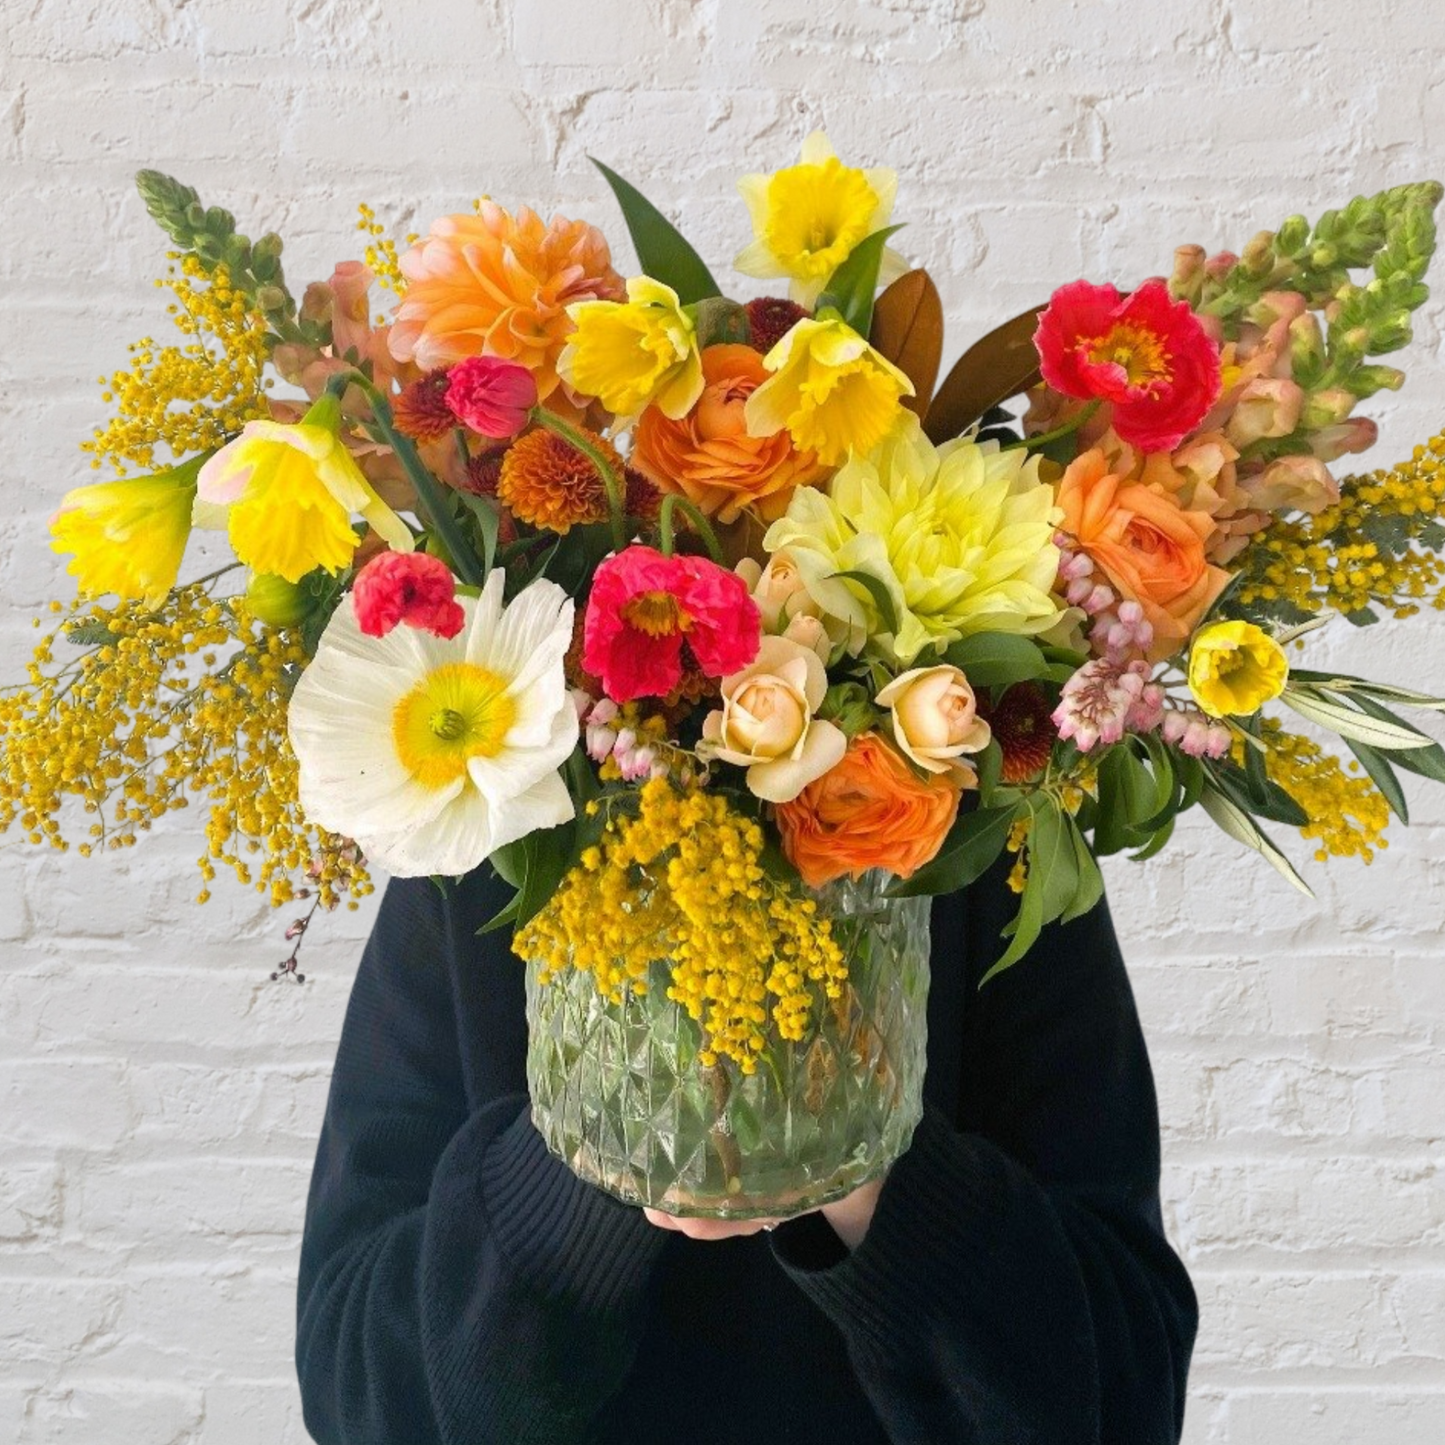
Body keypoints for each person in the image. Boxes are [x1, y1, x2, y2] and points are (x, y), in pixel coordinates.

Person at [295, 852, 1198, 1444]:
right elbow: (355, 1392)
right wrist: (598, 1145)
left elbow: (1128, 1400)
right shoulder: (481, 846)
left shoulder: (994, 836)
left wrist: (869, 1166)